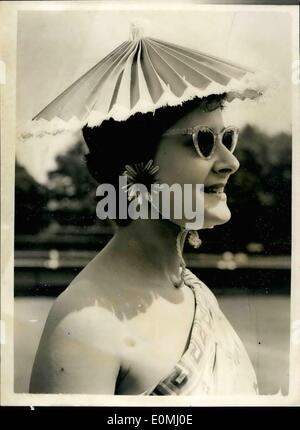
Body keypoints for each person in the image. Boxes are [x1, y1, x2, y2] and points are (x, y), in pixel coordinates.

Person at [29, 30, 263, 395]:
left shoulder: (194, 293)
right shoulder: (85, 324)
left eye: (227, 139)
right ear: (134, 164)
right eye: (203, 142)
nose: (230, 162)